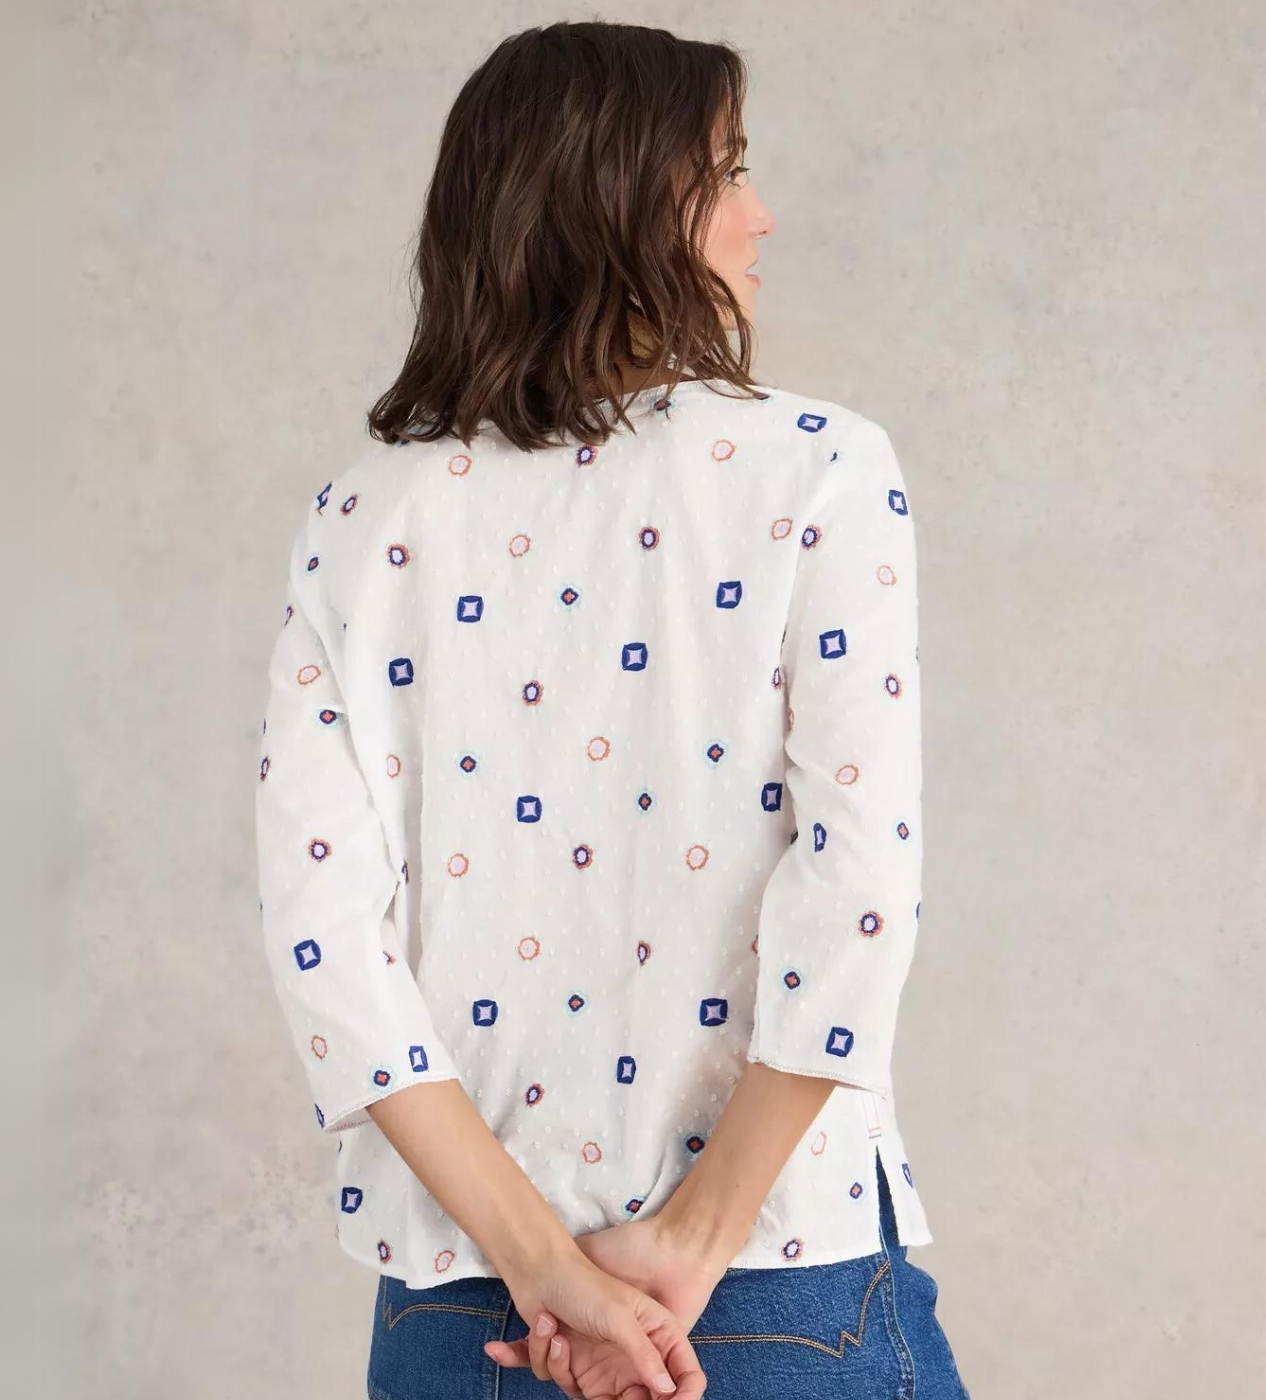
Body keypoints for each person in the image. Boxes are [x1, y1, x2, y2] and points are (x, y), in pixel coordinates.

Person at [253, 18, 971, 1400]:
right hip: (768, 1279)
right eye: (728, 172)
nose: (761, 215)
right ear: (622, 202)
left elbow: (325, 943)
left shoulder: (363, 517)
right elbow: (858, 887)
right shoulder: (818, 468)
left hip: (466, 1309)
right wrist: (695, 1236)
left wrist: (541, 1265)